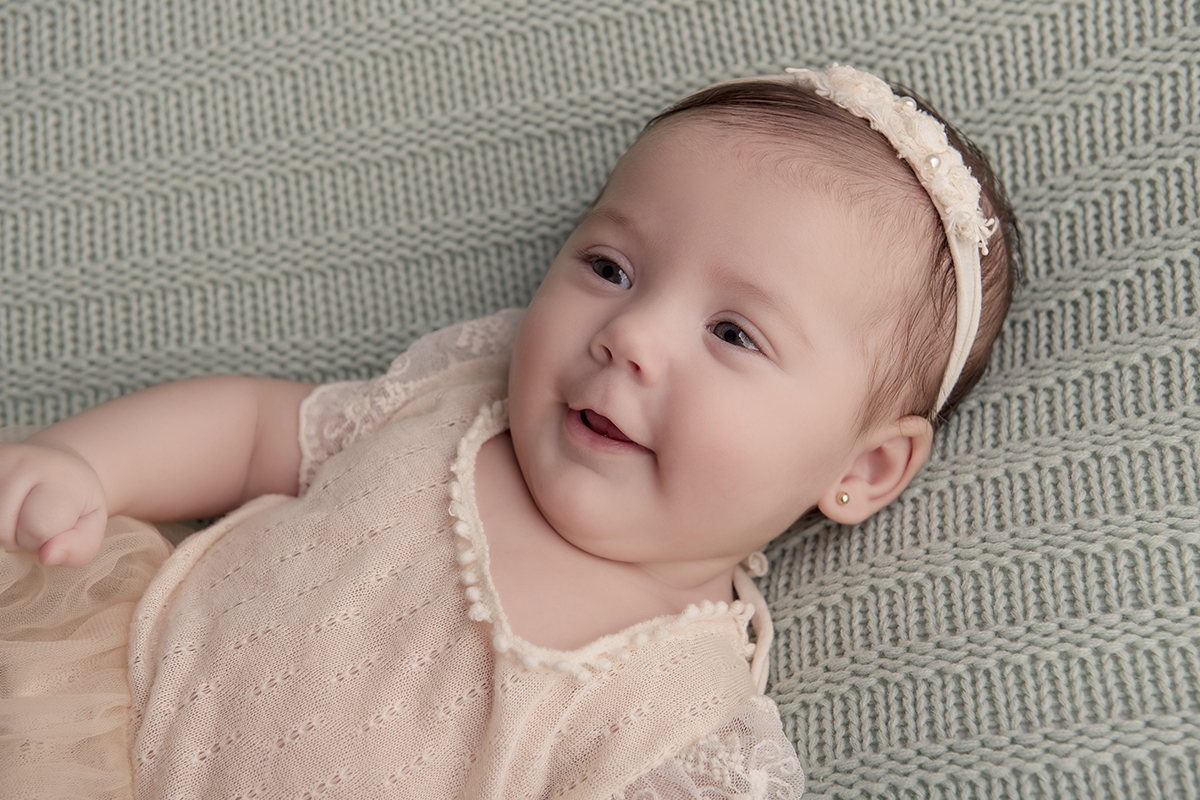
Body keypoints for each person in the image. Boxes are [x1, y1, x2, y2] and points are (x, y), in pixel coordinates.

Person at [0, 64, 1019, 799]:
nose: (629, 337)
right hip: (90, 694)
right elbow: (250, 425)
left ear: (863, 465)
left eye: (732, 332)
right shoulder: (453, 406)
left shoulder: (672, 717)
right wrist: (84, 463)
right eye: (611, 268)